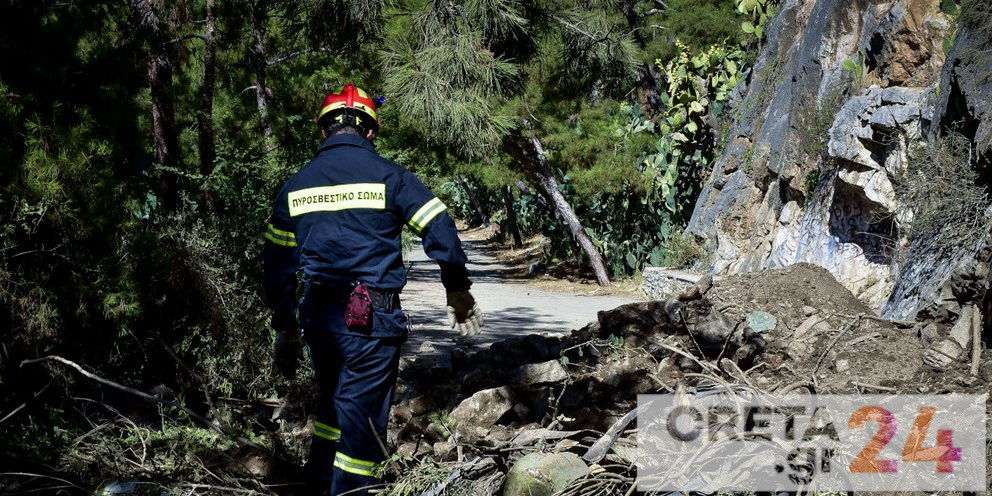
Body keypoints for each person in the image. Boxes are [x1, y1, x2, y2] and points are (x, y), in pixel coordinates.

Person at [262, 83, 484, 495]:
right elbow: (440, 228)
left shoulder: (296, 186)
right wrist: (456, 289)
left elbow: (277, 266)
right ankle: (348, 489)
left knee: (333, 402)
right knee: (361, 423)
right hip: (371, 321)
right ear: (369, 132)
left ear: (324, 130)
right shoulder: (391, 177)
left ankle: (318, 482)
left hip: (320, 322)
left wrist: (286, 326)